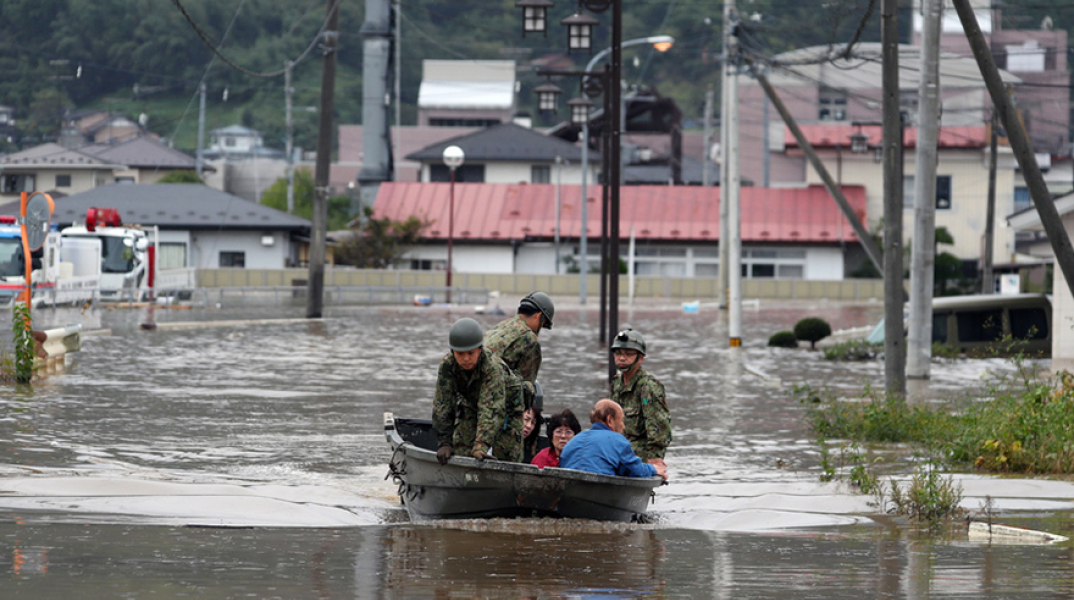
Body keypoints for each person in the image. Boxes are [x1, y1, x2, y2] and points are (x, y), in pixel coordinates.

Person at [432, 318, 524, 465]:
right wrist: (444, 442)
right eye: (460, 354)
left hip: (507, 410)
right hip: (471, 405)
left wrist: (481, 445)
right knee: (461, 449)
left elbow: (491, 408)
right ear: (452, 352)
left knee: (505, 455)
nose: (466, 359)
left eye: (471, 353)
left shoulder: (492, 368)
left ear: (480, 349)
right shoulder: (448, 365)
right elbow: (443, 403)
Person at [609, 328, 671, 472]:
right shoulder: (617, 383)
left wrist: (654, 458)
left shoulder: (648, 386)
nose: (622, 358)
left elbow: (659, 427)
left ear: (640, 358)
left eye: (628, 354)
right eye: (618, 353)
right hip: (618, 453)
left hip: (639, 458)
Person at [559, 400, 667, 480]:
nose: (623, 426)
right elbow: (636, 470)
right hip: (601, 490)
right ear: (610, 420)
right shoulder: (618, 441)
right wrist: (653, 469)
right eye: (622, 420)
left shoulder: (572, 442)